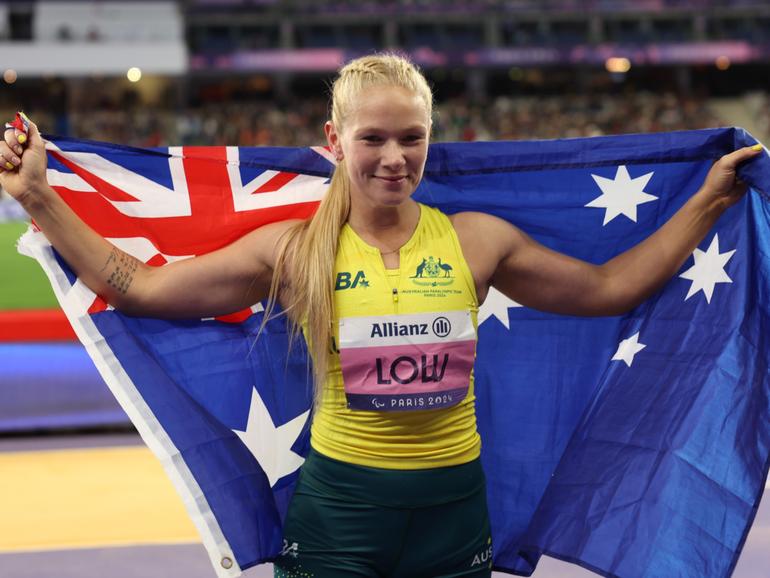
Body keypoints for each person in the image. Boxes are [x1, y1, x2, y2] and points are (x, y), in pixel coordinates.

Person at [0, 54, 763, 578]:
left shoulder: (477, 242)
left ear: (433, 140)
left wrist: (706, 202)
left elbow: (607, 290)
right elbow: (139, 285)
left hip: (454, 512)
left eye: (412, 138)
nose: (394, 157)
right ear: (335, 142)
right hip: (341, 513)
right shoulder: (295, 251)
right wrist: (37, 197)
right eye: (373, 138)